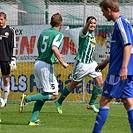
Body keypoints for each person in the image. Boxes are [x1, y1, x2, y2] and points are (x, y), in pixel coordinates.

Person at [19, 13, 69, 126]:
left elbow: (42, 48)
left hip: (38, 63)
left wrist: (52, 58)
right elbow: (54, 47)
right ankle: (27, 98)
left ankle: (32, 120)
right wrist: (62, 62)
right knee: (54, 95)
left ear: (51, 23)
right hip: (45, 66)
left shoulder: (43, 33)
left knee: (43, 94)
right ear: (61, 24)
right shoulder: (59, 34)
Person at [92, 0, 133, 132]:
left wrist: (123, 67)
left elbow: (128, 45)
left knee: (104, 101)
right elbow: (121, 49)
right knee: (129, 103)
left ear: (109, 9)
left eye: (103, 11)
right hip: (126, 70)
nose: (103, 14)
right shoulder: (124, 24)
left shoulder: (120, 23)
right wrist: (105, 62)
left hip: (118, 70)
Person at [55, 16, 103, 114]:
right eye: (90, 23)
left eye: (94, 23)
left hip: (91, 62)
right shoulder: (83, 33)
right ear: (87, 24)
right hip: (82, 63)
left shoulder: (93, 35)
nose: (92, 25)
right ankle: (59, 101)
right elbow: (84, 30)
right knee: (73, 84)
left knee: (100, 82)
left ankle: (91, 103)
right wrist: (87, 24)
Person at [0, 12, 16, 107]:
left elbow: (13, 46)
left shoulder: (10, 31)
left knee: (6, 79)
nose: (0, 21)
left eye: (1, 19)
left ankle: (4, 100)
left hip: (5, 58)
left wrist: (13, 59)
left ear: (5, 20)